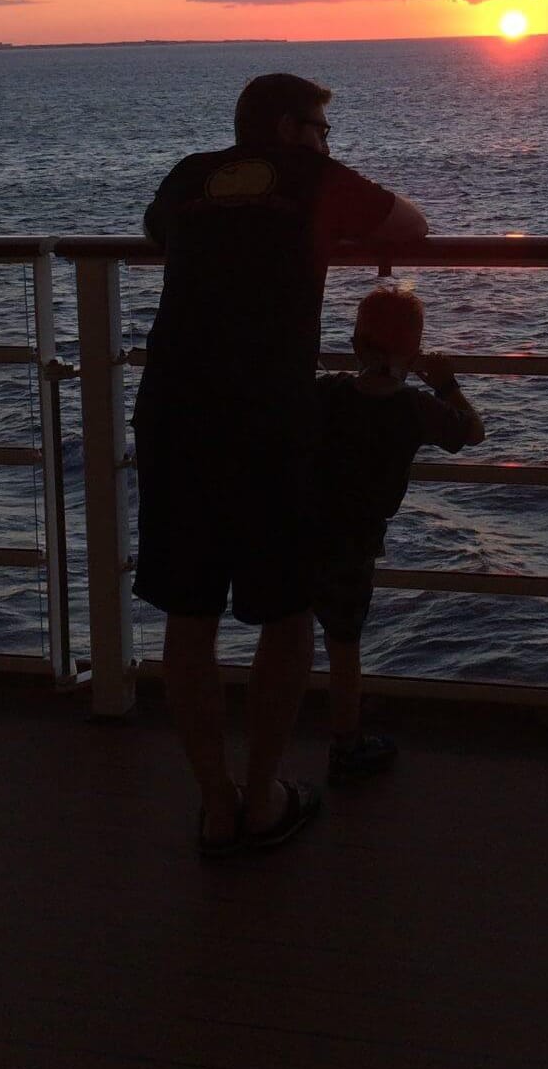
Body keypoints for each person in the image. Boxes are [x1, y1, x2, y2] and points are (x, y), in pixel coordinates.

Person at [132, 73, 428, 857]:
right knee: (286, 615)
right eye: (323, 130)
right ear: (295, 130)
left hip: (174, 415)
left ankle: (215, 804)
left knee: (188, 619)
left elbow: (159, 232)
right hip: (267, 422)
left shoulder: (190, 175)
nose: (330, 144)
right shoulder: (315, 179)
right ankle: (262, 800)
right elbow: (414, 223)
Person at [306, 286, 486, 782]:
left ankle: (274, 730)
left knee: (290, 630)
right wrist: (446, 384)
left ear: (356, 342)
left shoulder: (327, 394)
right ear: (416, 350)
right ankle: (346, 746)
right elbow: (472, 432)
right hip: (354, 542)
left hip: (300, 528)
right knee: (344, 645)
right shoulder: (414, 408)